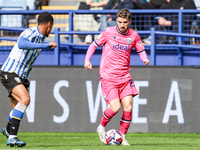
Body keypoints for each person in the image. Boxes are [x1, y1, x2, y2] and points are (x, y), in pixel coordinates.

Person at [84, 8, 150, 146]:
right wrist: (87, 59)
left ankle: (123, 137)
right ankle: (101, 126)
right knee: (115, 107)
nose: (122, 25)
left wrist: (144, 59)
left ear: (129, 22)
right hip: (108, 76)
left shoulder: (134, 36)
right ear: (116, 20)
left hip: (124, 76)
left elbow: (141, 49)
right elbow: (94, 45)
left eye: (125, 22)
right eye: (119, 22)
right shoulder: (108, 32)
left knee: (128, 107)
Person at [0, 12, 57, 147]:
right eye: (52, 26)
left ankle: (8, 130)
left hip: (22, 76)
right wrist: (45, 46)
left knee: (18, 108)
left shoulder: (40, 38)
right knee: (25, 99)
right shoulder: (31, 32)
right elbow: (21, 43)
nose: (51, 30)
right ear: (49, 24)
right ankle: (12, 137)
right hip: (10, 72)